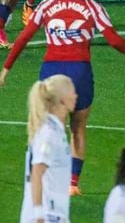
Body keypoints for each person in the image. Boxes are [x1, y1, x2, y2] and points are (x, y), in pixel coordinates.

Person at [0, 0, 125, 197]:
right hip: (80, 72)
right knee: (78, 128)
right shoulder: (94, 7)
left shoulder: (45, 5)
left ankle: (42, 176)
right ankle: (73, 183)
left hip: (52, 73)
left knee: (49, 128)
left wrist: (7, 67)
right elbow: (114, 41)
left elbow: (23, 38)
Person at [20, 74, 77, 223]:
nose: (76, 96)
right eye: (72, 92)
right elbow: (37, 173)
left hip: (54, 213)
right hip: (47, 215)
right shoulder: (49, 133)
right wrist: (39, 215)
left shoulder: (54, 130)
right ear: (62, 99)